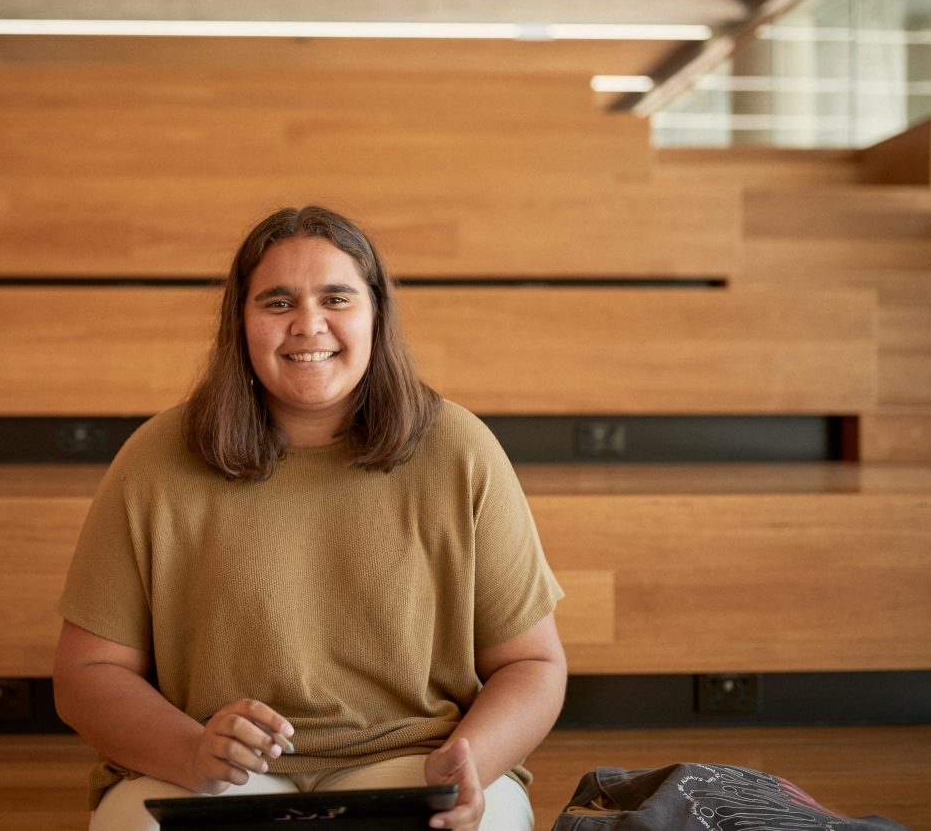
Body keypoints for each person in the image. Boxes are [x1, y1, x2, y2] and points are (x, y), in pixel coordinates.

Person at [54, 205, 567, 831]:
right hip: (209, 771)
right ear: (239, 324)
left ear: (376, 316)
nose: (308, 324)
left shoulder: (460, 448)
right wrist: (191, 749)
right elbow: (87, 674)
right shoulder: (155, 458)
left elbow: (532, 664)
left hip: (412, 761)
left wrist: (474, 760)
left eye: (336, 298)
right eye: (276, 302)